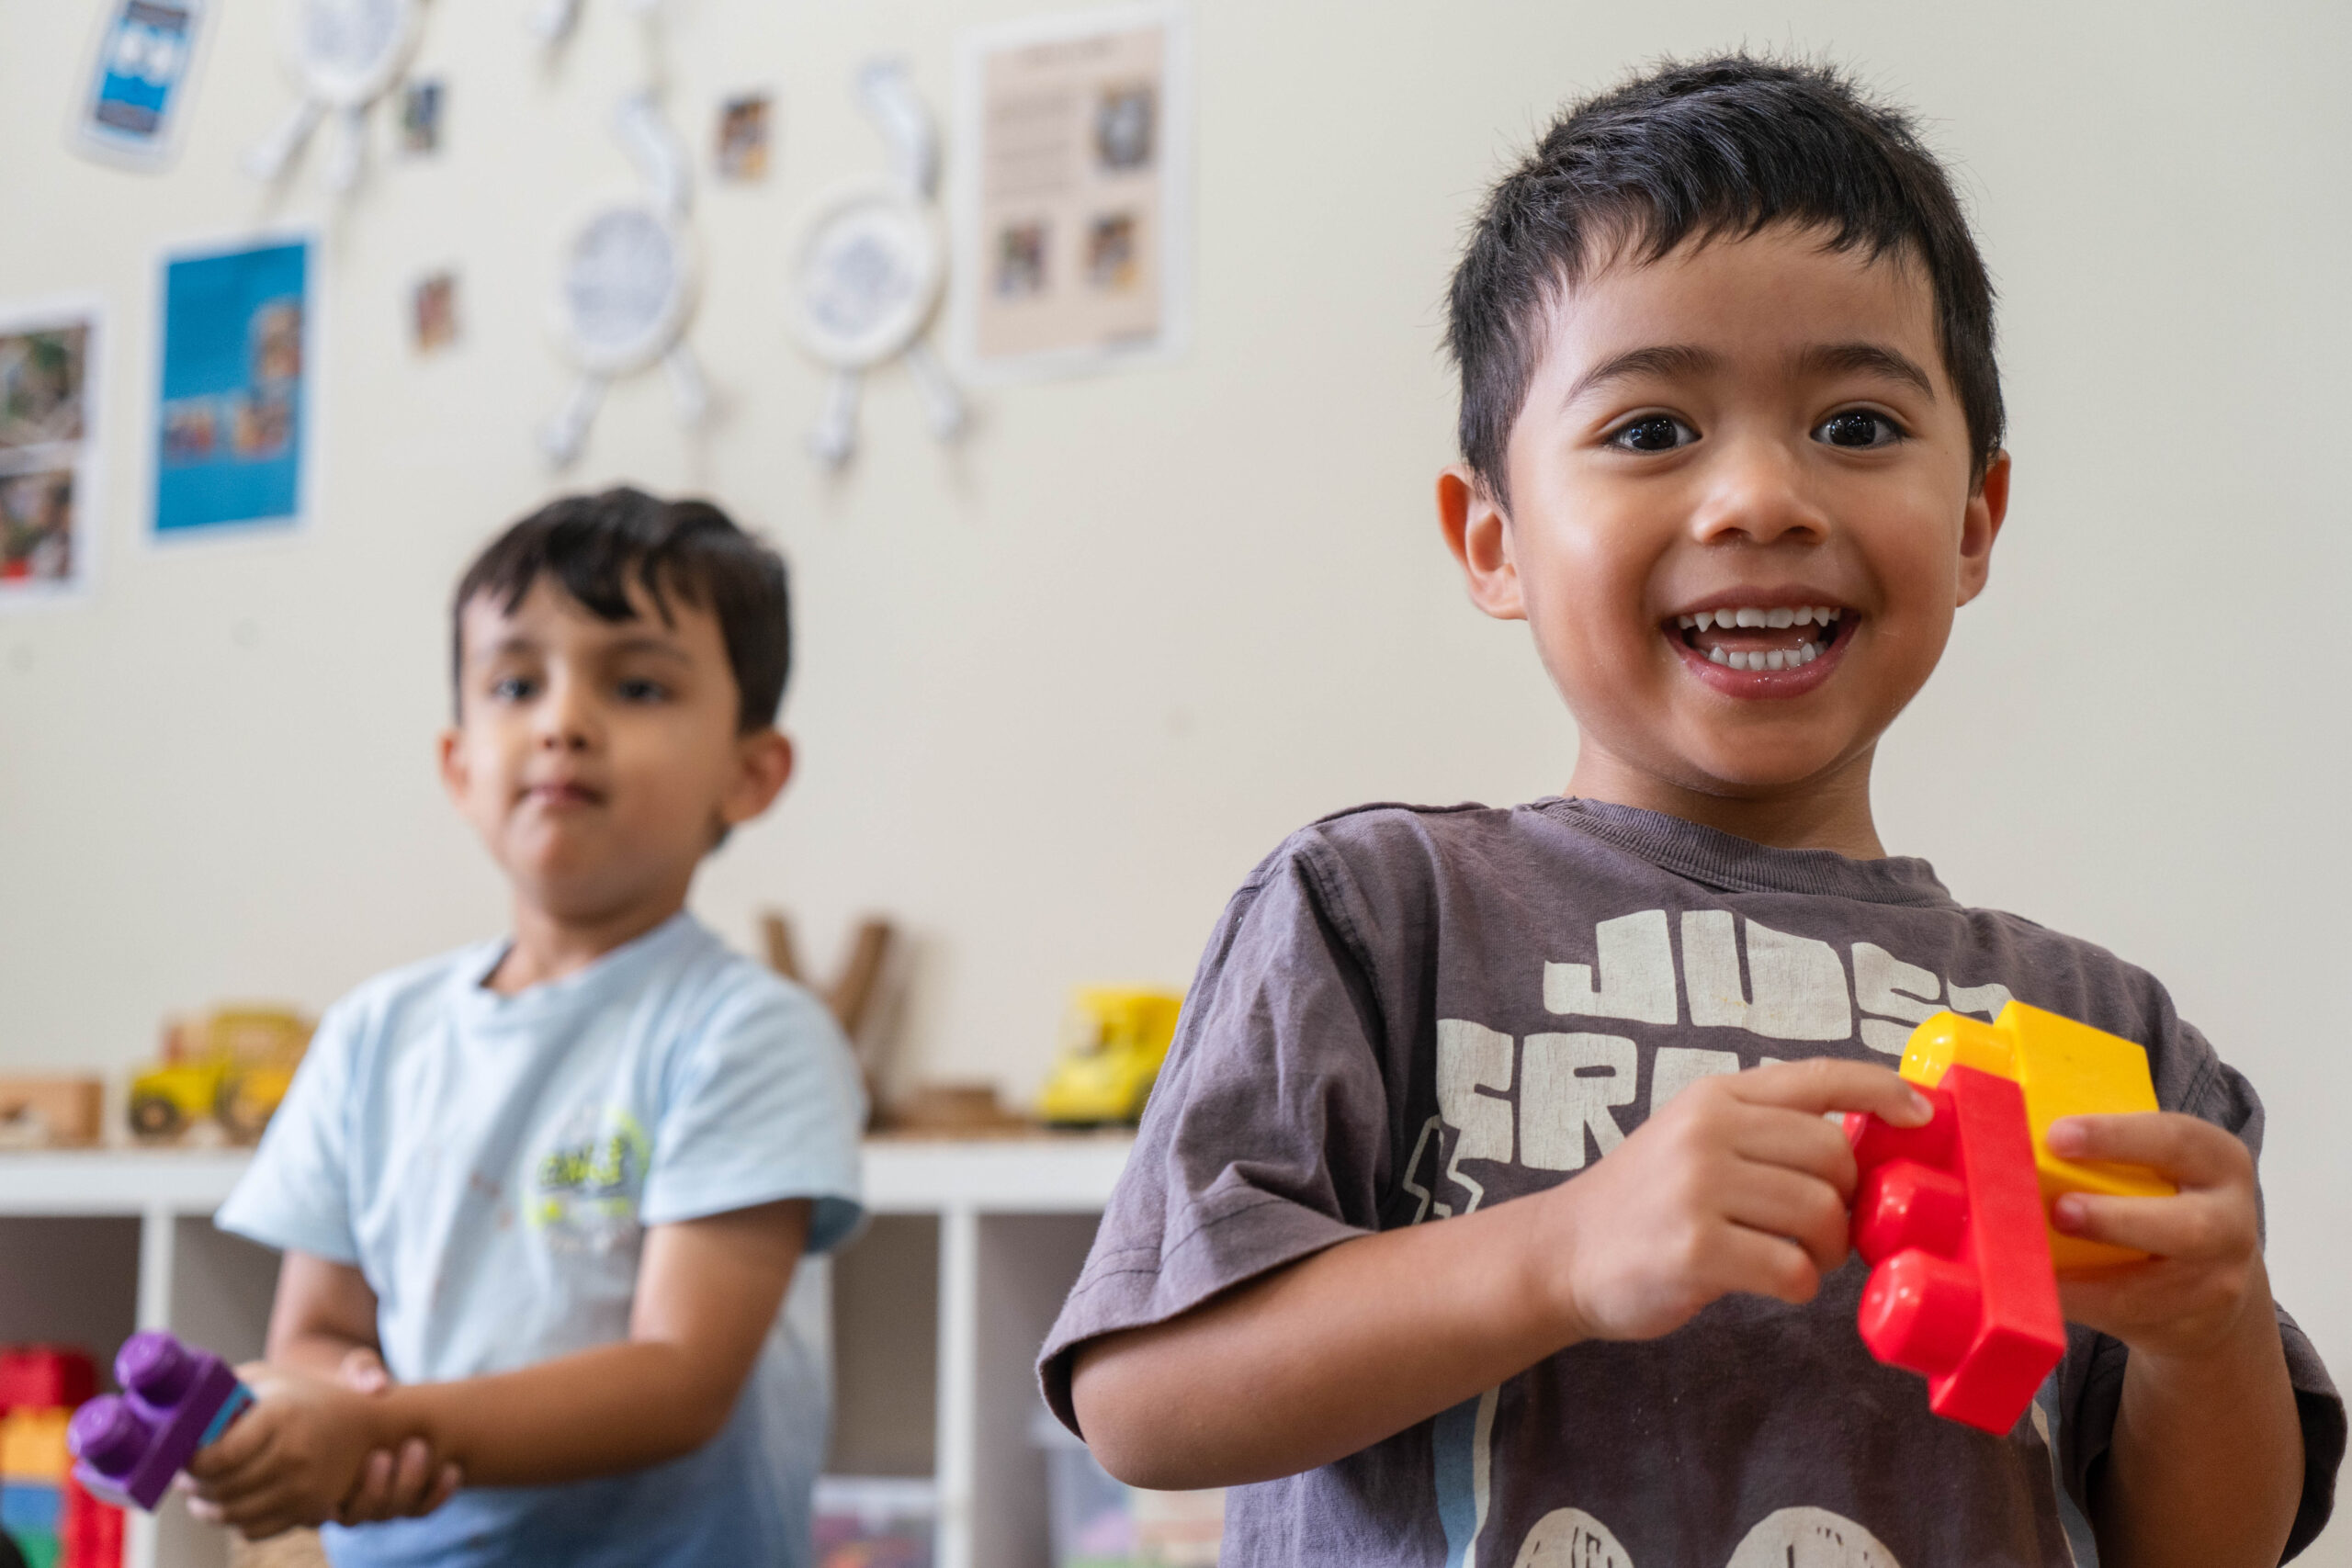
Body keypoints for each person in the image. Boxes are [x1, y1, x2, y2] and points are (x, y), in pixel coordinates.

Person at [1041, 55, 2343, 1567]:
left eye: (1857, 426)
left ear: (1976, 520)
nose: (1760, 500)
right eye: (1651, 430)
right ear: (1494, 538)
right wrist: (1563, 1251)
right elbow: (1146, 1398)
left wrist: (2209, 1329)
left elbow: (2203, 1548)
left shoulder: (2107, 1033)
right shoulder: (1372, 915)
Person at [196, 488, 866, 1566]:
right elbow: (317, 1333)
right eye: (515, 683)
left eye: (638, 683)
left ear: (751, 774)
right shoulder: (374, 1035)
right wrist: (328, 1407)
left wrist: (387, 1424)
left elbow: (679, 1377)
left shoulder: (750, 1034)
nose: (561, 720)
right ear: (460, 766)